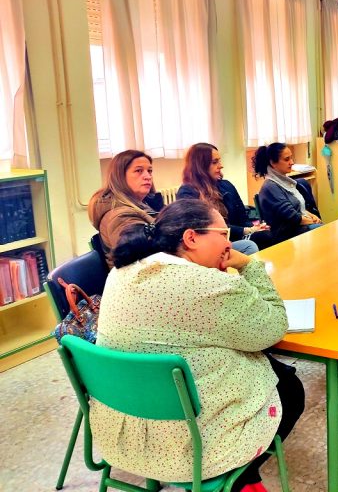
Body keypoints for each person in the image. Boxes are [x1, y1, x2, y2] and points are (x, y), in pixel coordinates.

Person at [91, 199, 304, 492]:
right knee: (290, 388)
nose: (229, 244)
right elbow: (272, 329)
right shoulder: (208, 285)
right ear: (191, 238)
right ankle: (237, 478)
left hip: (125, 431)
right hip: (192, 444)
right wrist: (250, 266)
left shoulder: (120, 272)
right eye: (224, 234)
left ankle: (243, 479)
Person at [177, 142, 272, 255]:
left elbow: (243, 218)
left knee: (268, 233)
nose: (221, 165)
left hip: (235, 238)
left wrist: (256, 227)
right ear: (200, 166)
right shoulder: (187, 192)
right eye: (214, 162)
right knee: (256, 242)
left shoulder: (226, 185)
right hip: (210, 244)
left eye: (219, 161)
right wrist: (247, 230)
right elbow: (203, 228)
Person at [88, 149, 158, 267]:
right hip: (140, 280)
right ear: (119, 177)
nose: (147, 176)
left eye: (149, 171)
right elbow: (143, 257)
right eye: (138, 171)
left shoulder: (140, 204)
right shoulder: (119, 217)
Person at [252, 143, 322, 244]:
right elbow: (293, 218)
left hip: (297, 227)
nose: (292, 162)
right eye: (287, 159)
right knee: (323, 231)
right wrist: (314, 221)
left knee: (324, 229)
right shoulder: (270, 187)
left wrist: (311, 215)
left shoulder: (284, 182)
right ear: (273, 163)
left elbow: (298, 208)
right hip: (287, 234)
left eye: (291, 158)